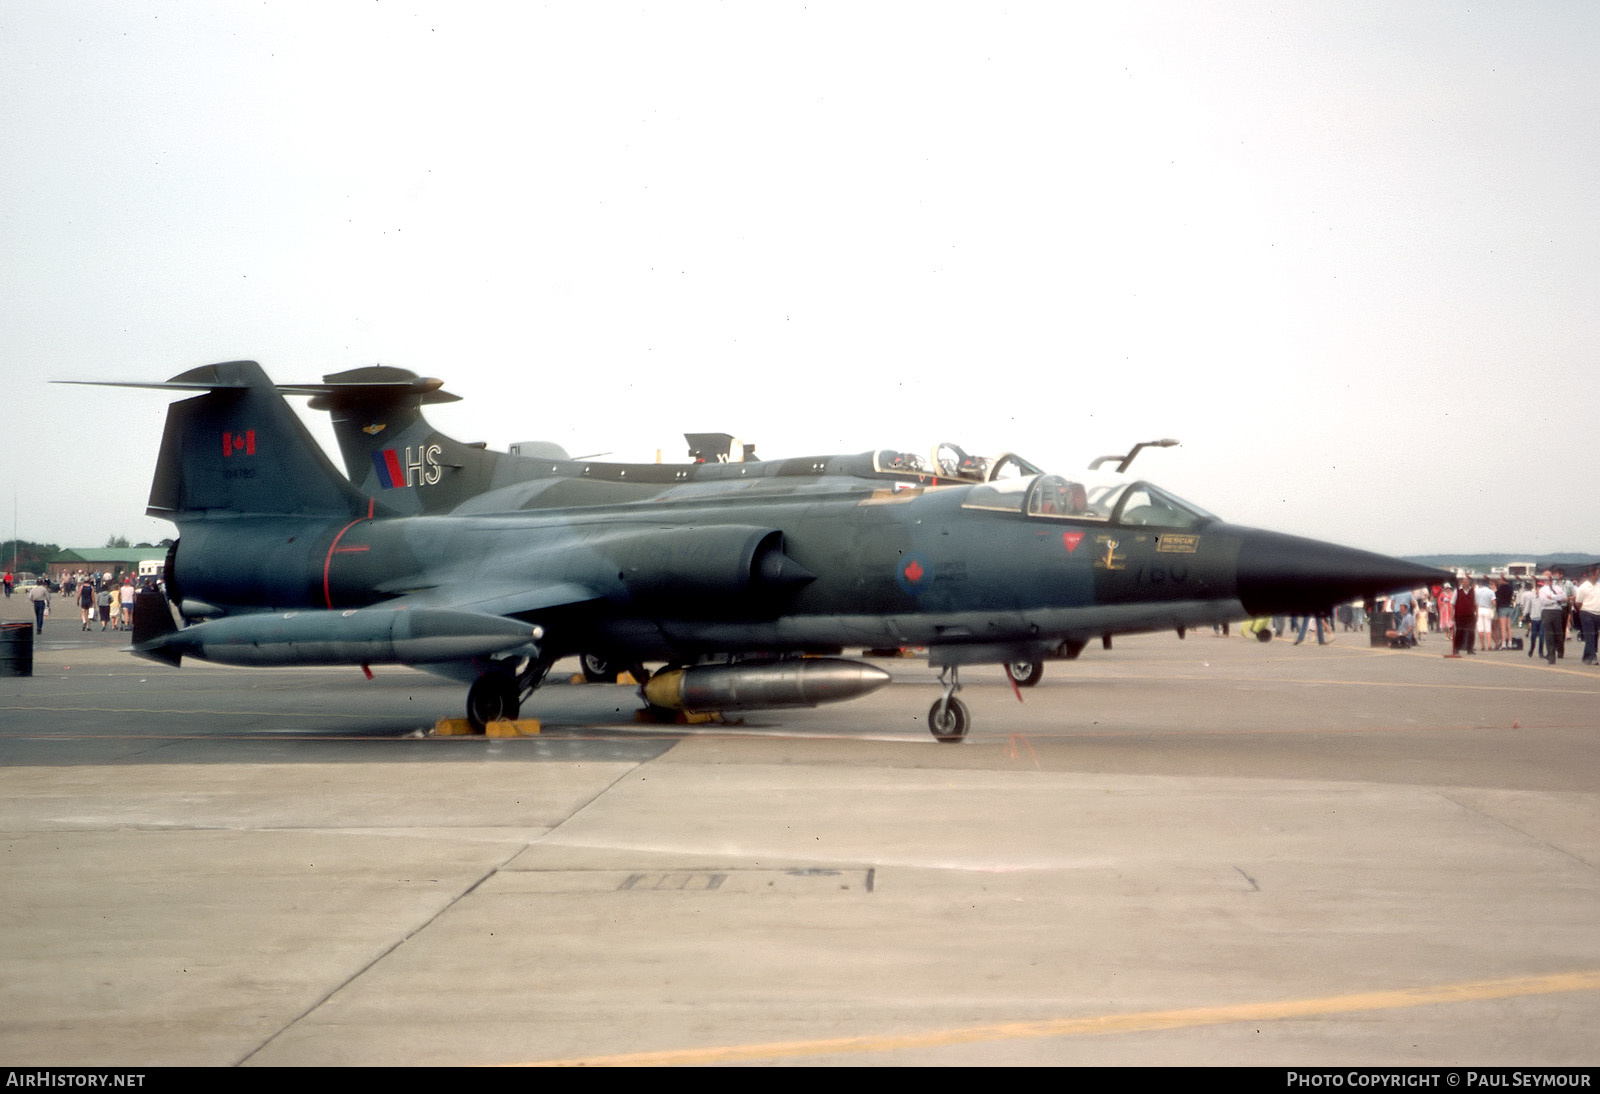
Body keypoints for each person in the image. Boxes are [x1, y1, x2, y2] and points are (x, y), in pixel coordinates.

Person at [1575, 565, 1600, 666]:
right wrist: (1584, 610)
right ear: (1592, 575)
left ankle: (1586, 656)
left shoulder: (1598, 585)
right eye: (1597, 574)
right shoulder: (1583, 587)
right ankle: (1593, 657)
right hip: (1586, 613)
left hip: (1597, 613)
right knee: (1590, 635)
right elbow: (1578, 602)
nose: (1598, 576)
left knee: (1595, 635)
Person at [1449, 575, 1476, 657]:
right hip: (1459, 615)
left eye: (1466, 581)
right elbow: (1452, 603)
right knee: (1460, 631)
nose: (1465, 583)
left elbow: (1476, 604)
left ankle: (1470, 648)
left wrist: (1477, 614)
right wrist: (1451, 614)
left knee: (1471, 631)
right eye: (1463, 581)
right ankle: (1456, 648)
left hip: (1470, 615)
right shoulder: (1457, 591)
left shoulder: (1473, 591)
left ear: (1469, 583)